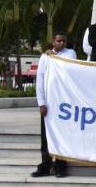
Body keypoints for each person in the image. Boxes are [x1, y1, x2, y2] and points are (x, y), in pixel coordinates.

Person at [31, 34, 76, 179]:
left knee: (63, 134)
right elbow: (40, 79)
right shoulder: (46, 57)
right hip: (49, 102)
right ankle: (45, 165)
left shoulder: (70, 54)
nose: (61, 43)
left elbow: (73, 70)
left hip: (64, 102)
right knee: (46, 136)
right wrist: (41, 103)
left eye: (64, 41)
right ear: (53, 42)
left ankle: (60, 166)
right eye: (59, 41)